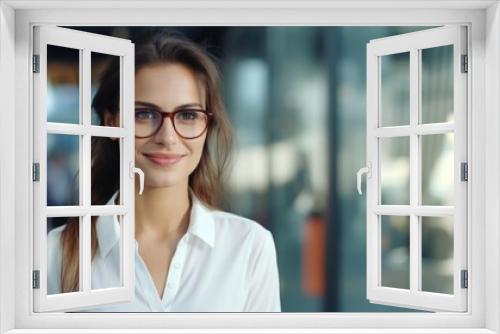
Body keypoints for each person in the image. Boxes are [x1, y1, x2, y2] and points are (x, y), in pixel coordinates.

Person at [47, 31, 281, 312]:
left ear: (208, 125)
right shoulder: (58, 252)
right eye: (144, 114)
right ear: (111, 121)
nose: (168, 137)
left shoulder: (248, 246)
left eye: (188, 115)